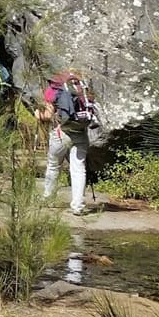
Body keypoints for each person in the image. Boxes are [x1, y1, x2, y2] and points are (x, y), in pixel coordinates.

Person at [40, 70, 96, 216]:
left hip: (61, 134)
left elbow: (47, 115)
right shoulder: (84, 88)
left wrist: (38, 115)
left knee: (53, 165)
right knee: (78, 170)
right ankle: (78, 206)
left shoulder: (55, 88)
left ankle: (48, 199)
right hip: (81, 134)